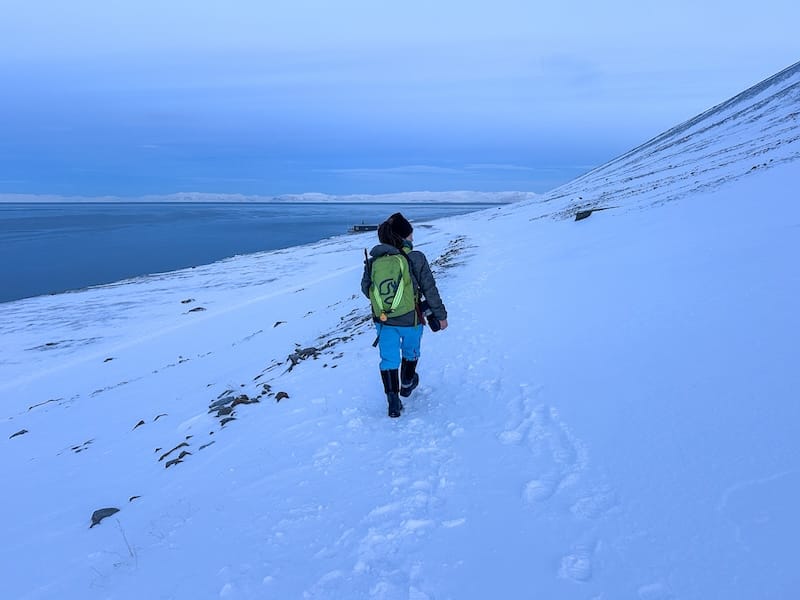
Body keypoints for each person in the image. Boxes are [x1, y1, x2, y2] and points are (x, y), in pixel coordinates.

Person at [361, 212, 448, 417]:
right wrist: (440, 315)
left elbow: (367, 290)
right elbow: (430, 288)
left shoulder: (374, 262)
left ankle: (393, 401)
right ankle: (407, 383)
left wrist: (390, 302)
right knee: (411, 351)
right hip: (412, 319)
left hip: (384, 321)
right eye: (410, 235)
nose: (412, 238)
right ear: (403, 237)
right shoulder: (415, 257)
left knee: (388, 359)